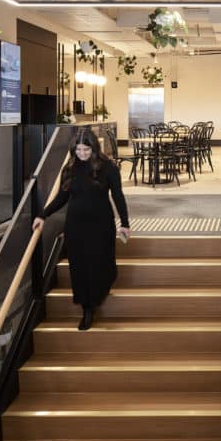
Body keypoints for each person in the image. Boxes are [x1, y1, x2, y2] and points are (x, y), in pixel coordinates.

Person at [32, 129, 131, 331]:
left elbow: (118, 196)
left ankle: (100, 290)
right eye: (79, 149)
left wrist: (125, 223)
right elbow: (62, 197)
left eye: (87, 149)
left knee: (100, 263)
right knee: (79, 267)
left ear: (94, 148)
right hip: (75, 225)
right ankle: (87, 309)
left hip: (101, 223)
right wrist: (43, 214)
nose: (83, 154)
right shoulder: (69, 169)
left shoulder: (108, 168)